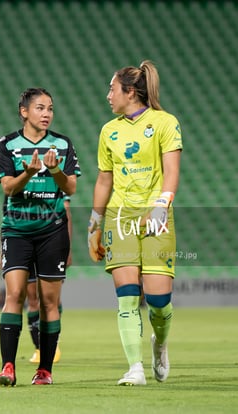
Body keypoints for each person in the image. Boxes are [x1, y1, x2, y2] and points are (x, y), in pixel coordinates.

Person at [88, 60, 183, 386]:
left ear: (130, 91)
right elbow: (104, 179)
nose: (108, 95)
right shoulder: (109, 130)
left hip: (156, 216)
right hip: (120, 217)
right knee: (127, 295)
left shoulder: (165, 123)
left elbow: (171, 173)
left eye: (112, 89)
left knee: (158, 302)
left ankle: (160, 345)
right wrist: (95, 223)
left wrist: (160, 207)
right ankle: (135, 368)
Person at [0, 87, 80, 386]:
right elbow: (8, 188)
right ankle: (8, 367)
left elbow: (70, 188)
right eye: (40, 108)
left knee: (48, 301)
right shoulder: (7, 144)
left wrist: (55, 171)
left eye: (50, 109)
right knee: (15, 294)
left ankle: (45, 371)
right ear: (24, 111)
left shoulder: (62, 144)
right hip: (17, 230)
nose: (46, 114)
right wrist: (29, 173)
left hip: (52, 231)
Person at [28, 197, 72, 364]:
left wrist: (67, 248)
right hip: (24, 239)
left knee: (51, 299)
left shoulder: (54, 177)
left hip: (51, 240)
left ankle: (54, 344)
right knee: (32, 298)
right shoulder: (18, 176)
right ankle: (38, 348)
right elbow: (7, 212)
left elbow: (66, 211)